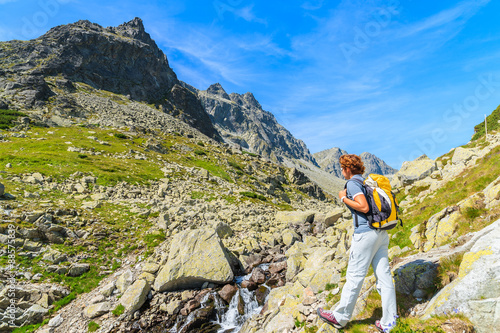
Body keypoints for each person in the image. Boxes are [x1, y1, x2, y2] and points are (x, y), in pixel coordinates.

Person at [317, 154, 397, 332]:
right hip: (381, 233)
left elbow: (364, 207)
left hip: (365, 234)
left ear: (347, 168)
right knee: (384, 277)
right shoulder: (367, 182)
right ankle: (389, 322)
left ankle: (340, 317)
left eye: (342, 168)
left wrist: (343, 198)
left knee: (354, 276)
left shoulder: (353, 183)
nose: (341, 171)